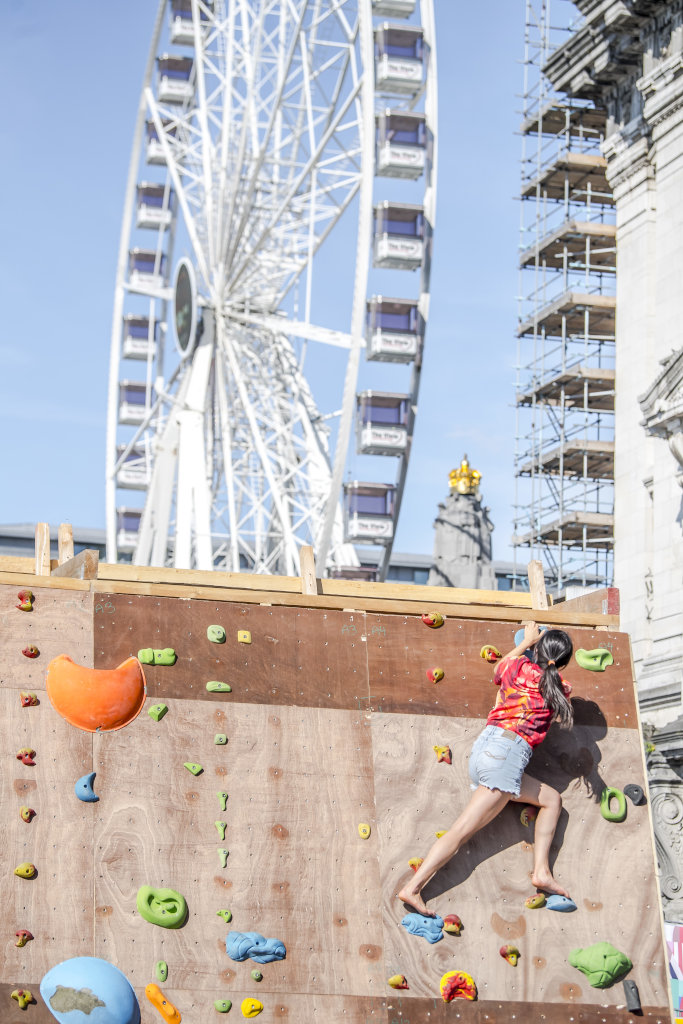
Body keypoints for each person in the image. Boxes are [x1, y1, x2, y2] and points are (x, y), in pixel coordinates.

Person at [397, 621, 574, 917]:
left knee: (551, 800)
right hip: (506, 756)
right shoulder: (560, 688)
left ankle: (542, 872)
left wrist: (526, 642)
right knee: (460, 831)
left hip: (484, 751)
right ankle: (413, 888)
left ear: (536, 650)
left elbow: (499, 668)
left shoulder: (516, 666)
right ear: (563, 662)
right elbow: (555, 700)